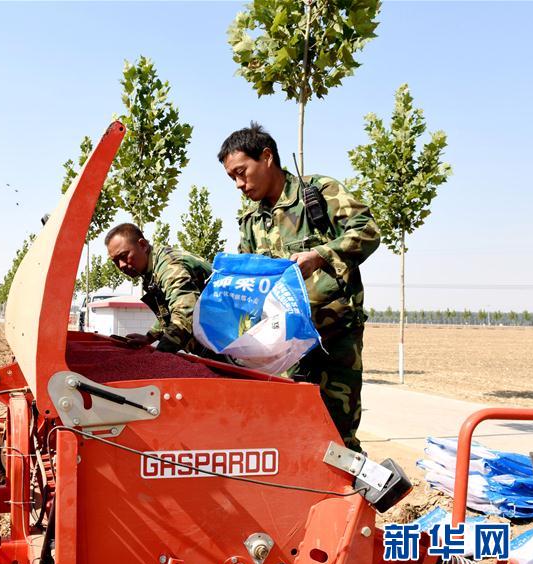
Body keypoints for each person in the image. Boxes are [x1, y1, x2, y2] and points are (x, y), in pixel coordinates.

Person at [218, 122, 380, 452]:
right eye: (232, 177)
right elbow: (253, 278)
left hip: (334, 339)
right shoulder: (252, 219)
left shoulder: (318, 192)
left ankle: (349, 500)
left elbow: (368, 230)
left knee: (338, 434)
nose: (238, 184)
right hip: (287, 346)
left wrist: (320, 256)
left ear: (266, 157)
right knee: (294, 433)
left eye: (241, 172)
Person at [105, 223, 214, 357]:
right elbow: (169, 309)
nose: (121, 265)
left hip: (231, 344)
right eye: (115, 261)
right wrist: (149, 337)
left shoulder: (169, 267)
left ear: (143, 245)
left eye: (124, 256)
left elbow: (185, 313)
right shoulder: (152, 268)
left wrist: (160, 354)